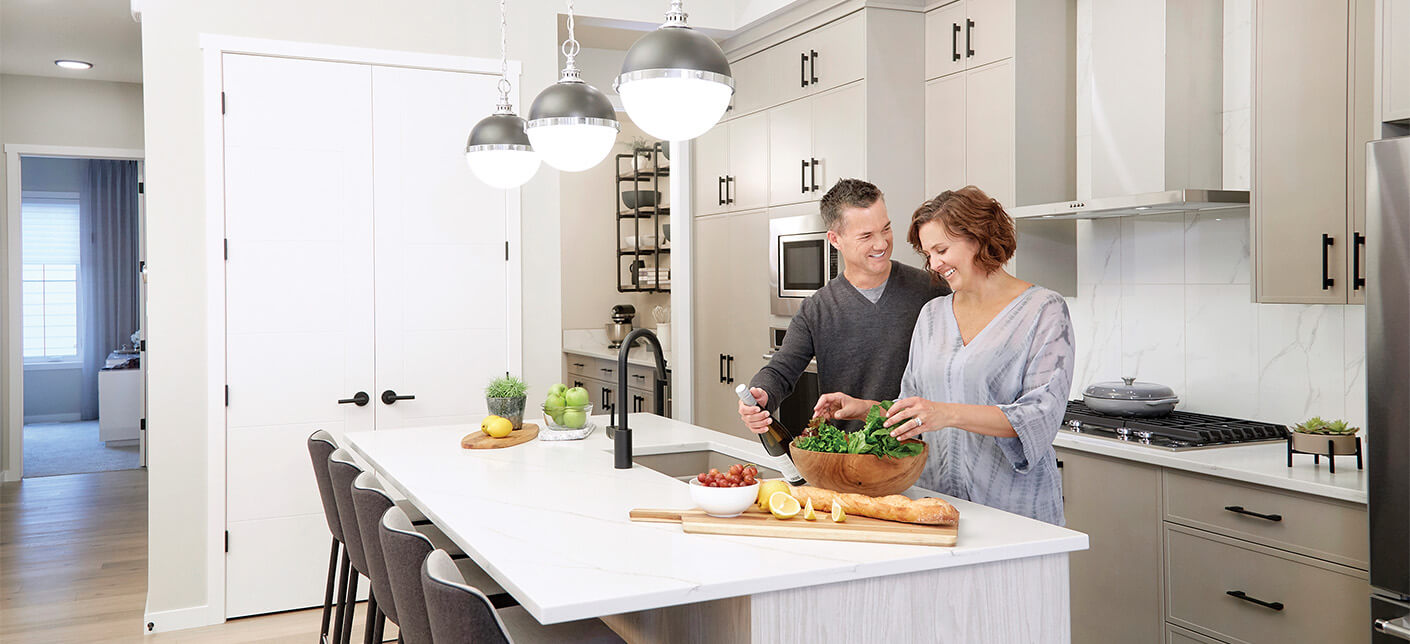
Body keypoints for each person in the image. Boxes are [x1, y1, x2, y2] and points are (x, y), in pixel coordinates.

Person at [813, 186, 1075, 525]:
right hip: (936, 504)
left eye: (942, 250)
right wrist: (864, 408)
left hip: (1014, 509)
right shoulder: (933, 314)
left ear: (978, 238)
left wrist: (945, 413)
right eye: (928, 254)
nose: (934, 264)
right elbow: (916, 407)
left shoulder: (1044, 310)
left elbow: (1039, 416)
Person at [739, 179, 950, 435]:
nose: (881, 244)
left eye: (886, 229)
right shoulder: (817, 309)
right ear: (835, 239)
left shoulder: (931, 289)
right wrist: (762, 393)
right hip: (847, 458)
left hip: (917, 456)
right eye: (866, 236)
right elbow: (781, 370)